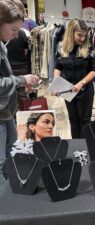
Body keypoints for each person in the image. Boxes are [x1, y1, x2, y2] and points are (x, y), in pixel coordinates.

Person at [0, 0, 39, 182]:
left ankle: (9, 193)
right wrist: (21, 80)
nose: (16, 36)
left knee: (10, 152)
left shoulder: (2, 45)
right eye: (13, 30)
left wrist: (20, 82)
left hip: (5, 110)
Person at [54, 18, 95, 138]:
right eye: (79, 35)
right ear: (71, 32)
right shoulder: (61, 46)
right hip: (67, 89)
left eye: (84, 35)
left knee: (84, 121)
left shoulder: (88, 47)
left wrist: (81, 83)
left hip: (84, 90)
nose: (82, 39)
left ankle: (84, 148)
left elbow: (94, 70)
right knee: (73, 119)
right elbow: (58, 66)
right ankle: (76, 147)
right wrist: (56, 82)